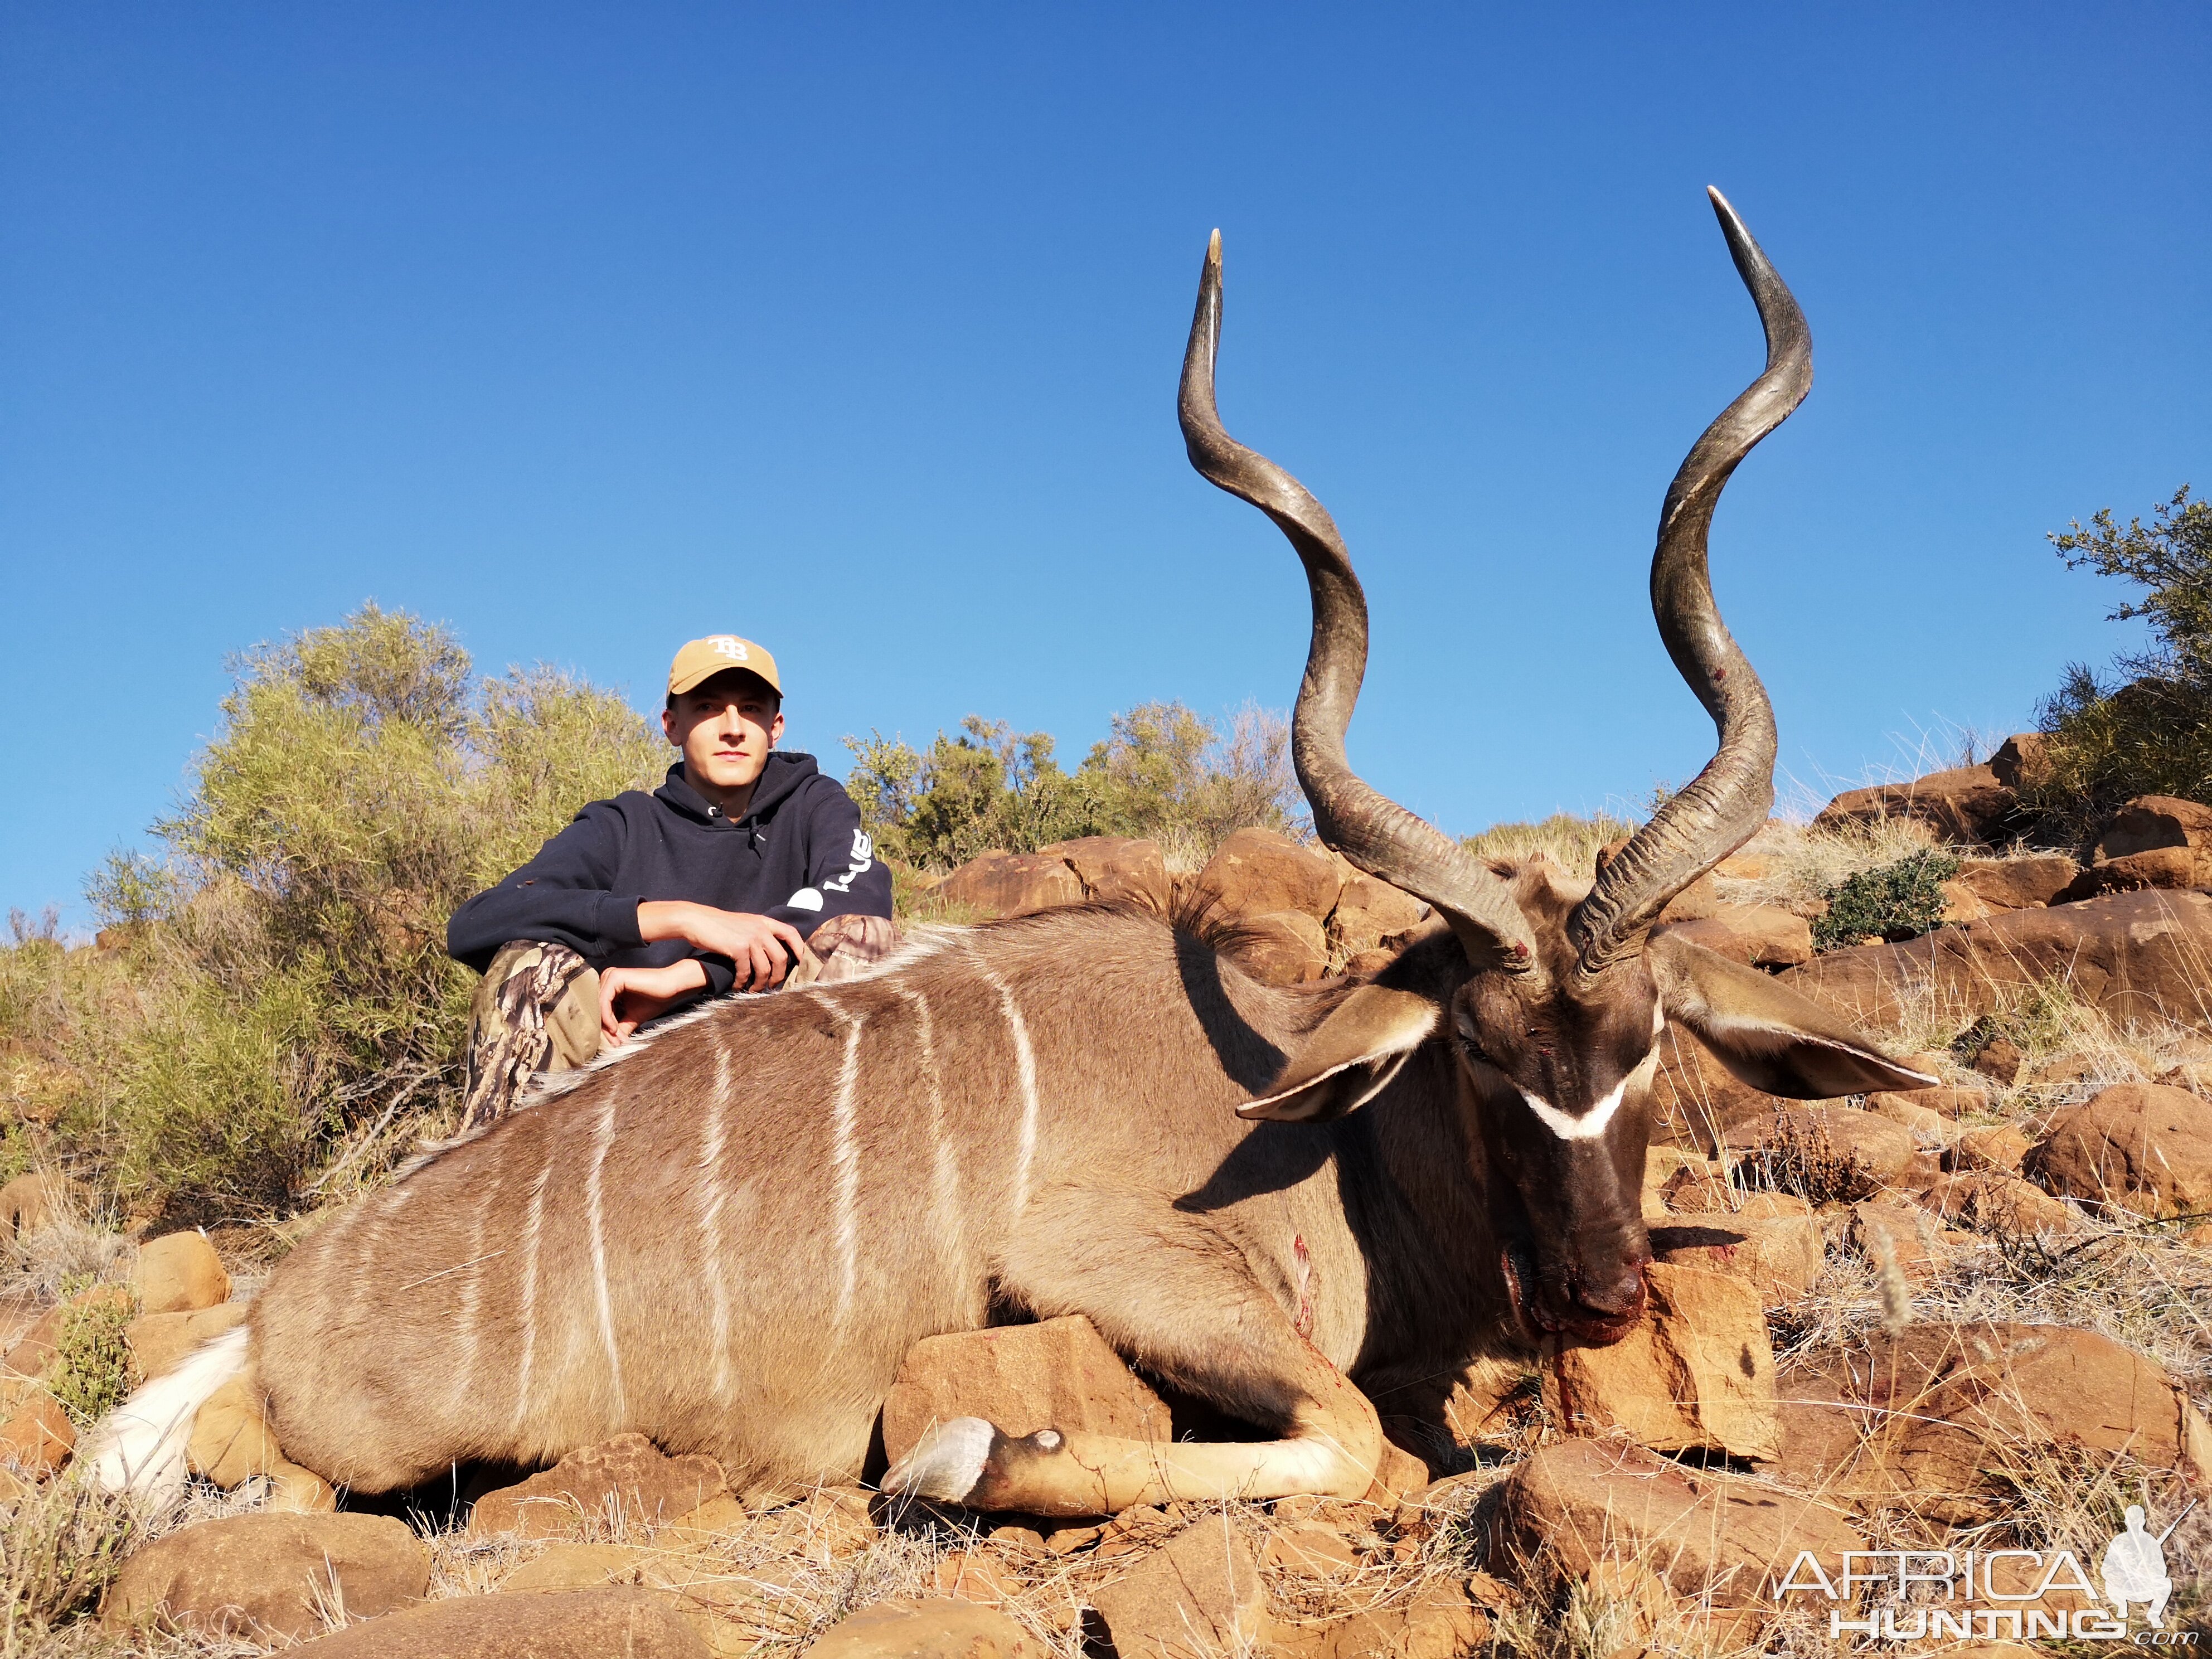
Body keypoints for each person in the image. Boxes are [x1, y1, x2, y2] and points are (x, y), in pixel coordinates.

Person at [447, 633, 896, 1131]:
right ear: (672, 725)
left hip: (773, 1074)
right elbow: (477, 922)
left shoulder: (814, 804)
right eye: (708, 707)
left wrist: (687, 978)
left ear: (776, 727)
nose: (732, 729)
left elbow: (862, 894)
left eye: (750, 709)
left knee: (863, 939)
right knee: (533, 968)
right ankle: (498, 1193)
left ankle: (835, 1181)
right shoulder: (622, 824)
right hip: (626, 1078)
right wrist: (679, 918)